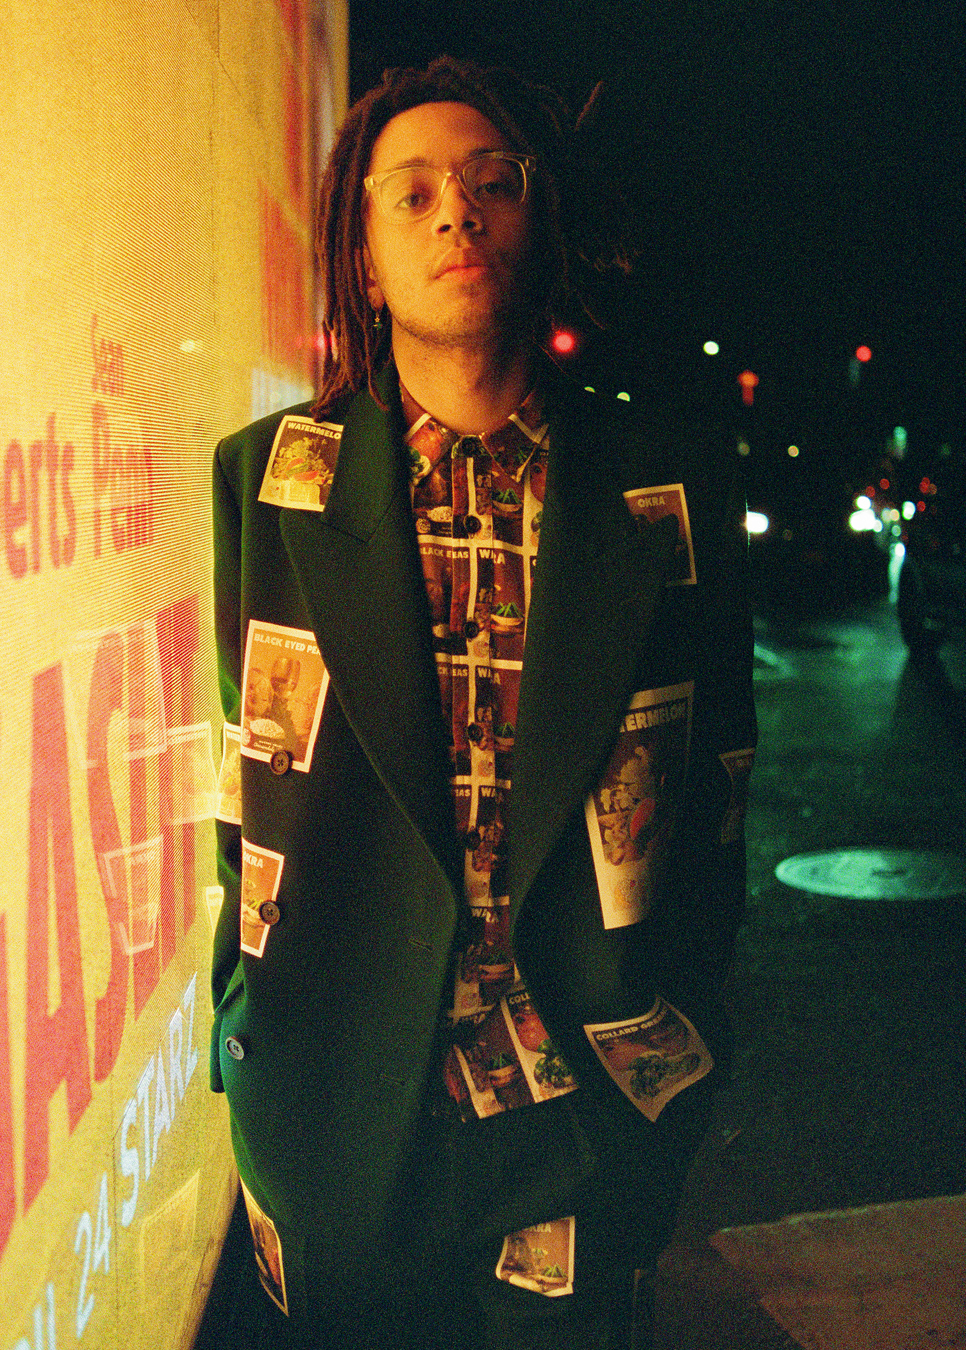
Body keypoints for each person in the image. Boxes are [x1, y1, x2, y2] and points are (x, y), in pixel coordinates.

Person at [210, 55, 756, 1350]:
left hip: (579, 1104)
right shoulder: (271, 485)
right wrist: (255, 1034)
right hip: (342, 1113)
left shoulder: (660, 483)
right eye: (410, 194)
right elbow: (237, 789)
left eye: (490, 182)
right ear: (363, 251)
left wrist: (684, 1035)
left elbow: (720, 789)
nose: (454, 213)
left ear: (539, 217)